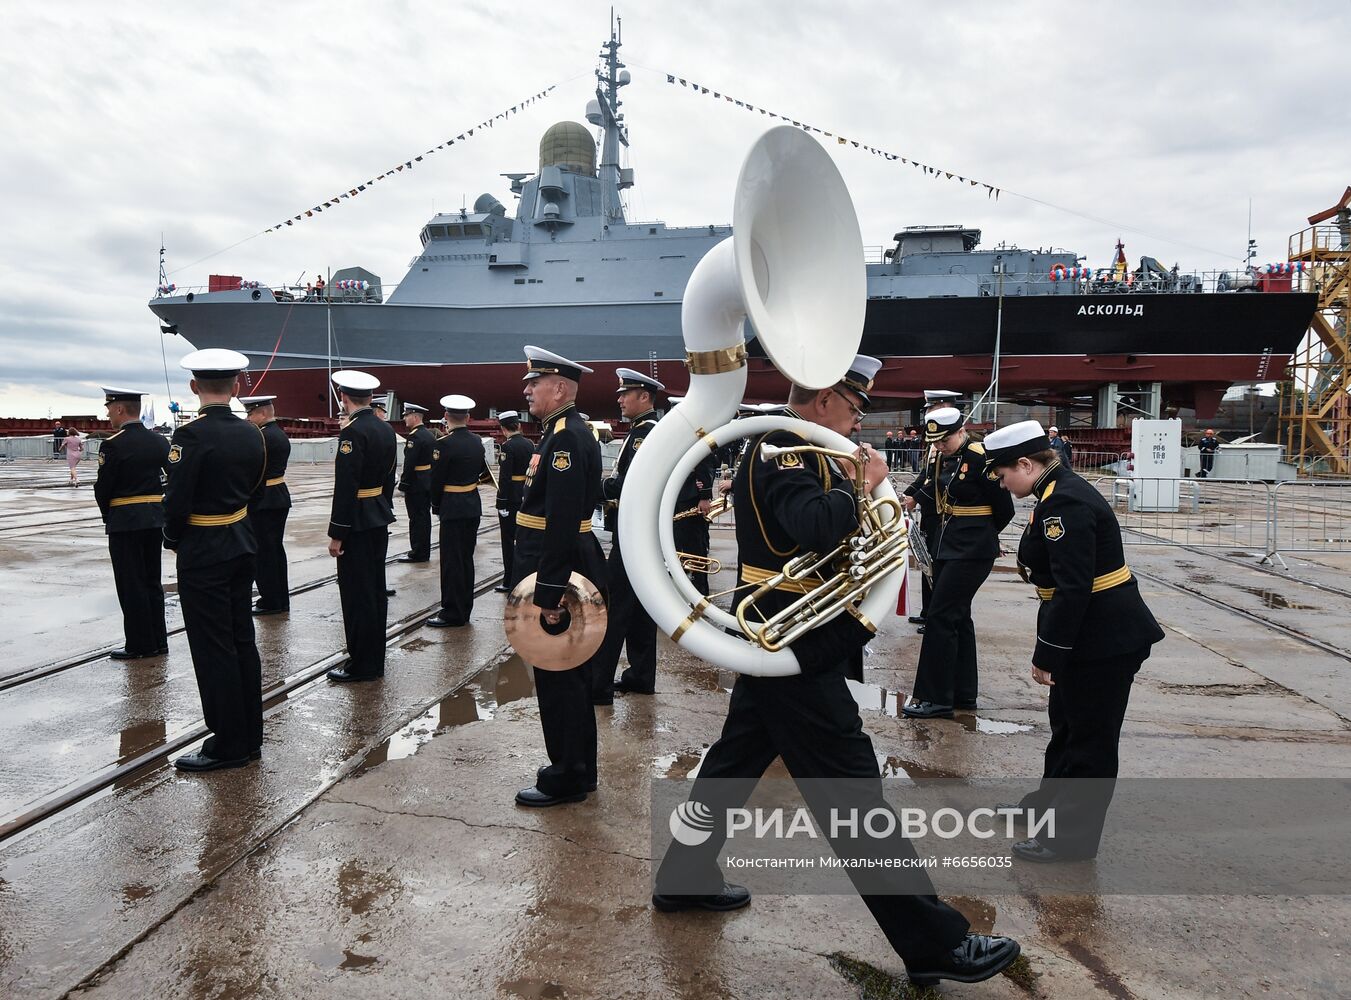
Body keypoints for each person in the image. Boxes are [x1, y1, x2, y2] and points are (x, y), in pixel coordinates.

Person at [653, 355, 1020, 987]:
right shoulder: (784, 448)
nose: (857, 420)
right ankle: (934, 942)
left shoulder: (805, 446)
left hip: (792, 630)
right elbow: (813, 526)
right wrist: (861, 482)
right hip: (792, 634)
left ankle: (684, 876)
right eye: (854, 407)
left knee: (734, 762)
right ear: (824, 398)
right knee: (852, 796)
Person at [984, 420, 1164, 861]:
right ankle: (1047, 810)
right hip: (1089, 631)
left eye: (1004, 474)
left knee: (1090, 742)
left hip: (1102, 638)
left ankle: (1071, 841)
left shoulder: (1064, 501)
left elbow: (1073, 587)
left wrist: (1049, 654)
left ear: (1026, 464)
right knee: (1066, 727)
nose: (1003, 484)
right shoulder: (1053, 490)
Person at [512, 346, 607, 807]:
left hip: (558, 569)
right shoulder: (560, 432)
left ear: (560, 388)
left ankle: (568, 774)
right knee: (567, 674)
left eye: (535, 382)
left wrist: (550, 593)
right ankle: (578, 767)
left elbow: (563, 519)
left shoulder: (566, 438)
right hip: (558, 563)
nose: (527, 389)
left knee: (559, 674)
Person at [163, 349, 267, 771]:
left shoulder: (190, 436)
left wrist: (173, 538)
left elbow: (176, 503)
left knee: (213, 647)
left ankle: (227, 744)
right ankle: (250, 736)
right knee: (242, 639)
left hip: (204, 550)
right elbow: (256, 490)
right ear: (237, 386)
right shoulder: (252, 434)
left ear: (194, 387)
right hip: (242, 541)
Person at [902, 407, 1014, 719]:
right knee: (958, 618)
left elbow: (1004, 509)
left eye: (945, 439)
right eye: (936, 441)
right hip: (946, 544)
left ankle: (935, 697)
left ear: (961, 431)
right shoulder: (938, 456)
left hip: (972, 549)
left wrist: (982, 538)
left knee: (940, 617)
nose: (940, 445)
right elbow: (933, 491)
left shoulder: (981, 457)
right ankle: (963, 694)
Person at [593, 369, 663, 703]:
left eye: (626, 393)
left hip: (632, 533)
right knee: (640, 609)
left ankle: (599, 684)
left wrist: (596, 486)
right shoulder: (643, 430)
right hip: (640, 531)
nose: (620, 399)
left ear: (645, 397)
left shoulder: (644, 434)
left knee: (615, 606)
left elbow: (628, 483)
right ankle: (640, 675)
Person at [325, 370, 398, 683]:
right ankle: (374, 657)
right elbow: (390, 477)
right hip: (377, 516)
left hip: (355, 522)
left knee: (357, 595)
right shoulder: (384, 429)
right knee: (374, 591)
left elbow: (346, 487)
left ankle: (363, 664)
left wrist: (336, 533)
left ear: (343, 397)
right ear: (371, 398)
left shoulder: (352, 433)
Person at [94, 387, 170, 660]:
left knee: (131, 583)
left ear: (119, 409)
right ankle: (159, 640)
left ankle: (140, 644)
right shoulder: (160, 442)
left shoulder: (113, 444)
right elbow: (170, 479)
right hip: (154, 519)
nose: (107, 414)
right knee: (152, 581)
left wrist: (108, 515)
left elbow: (104, 488)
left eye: (109, 408)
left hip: (125, 521)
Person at [428, 394, 489, 628]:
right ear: (468, 417)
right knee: (466, 559)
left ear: (446, 416)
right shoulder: (476, 441)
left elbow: (436, 480)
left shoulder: (443, 444)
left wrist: (435, 505)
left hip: (452, 507)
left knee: (452, 561)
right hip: (472, 505)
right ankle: (464, 608)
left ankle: (451, 612)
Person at [240, 396, 292, 615]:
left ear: (261, 413)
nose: (247, 418)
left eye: (250, 414)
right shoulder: (278, 433)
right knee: (275, 550)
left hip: (264, 499)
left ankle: (270, 600)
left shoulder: (261, 437)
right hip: (278, 494)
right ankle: (279, 597)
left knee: (263, 553)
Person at [494, 410, 533, 592]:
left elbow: (505, 478)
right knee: (524, 539)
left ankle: (509, 580)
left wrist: (501, 502)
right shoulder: (530, 444)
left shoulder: (507, 447)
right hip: (526, 494)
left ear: (503, 429)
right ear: (519, 425)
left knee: (508, 541)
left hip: (511, 499)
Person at [396, 403, 435, 563]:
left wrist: (403, 484)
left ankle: (418, 552)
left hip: (416, 483)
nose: (404, 418)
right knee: (424, 518)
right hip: (427, 480)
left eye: (406, 415)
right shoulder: (429, 434)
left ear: (415, 416)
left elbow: (409, 463)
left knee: (416, 519)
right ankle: (423, 550)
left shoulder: (415, 437)